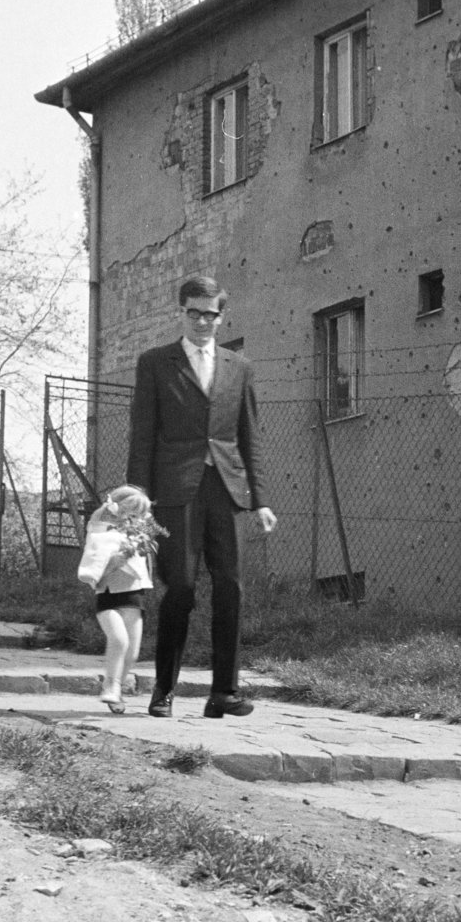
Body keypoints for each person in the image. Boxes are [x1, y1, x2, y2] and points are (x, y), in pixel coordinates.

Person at [126, 274, 276, 719]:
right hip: (175, 490)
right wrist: (137, 495)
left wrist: (261, 499)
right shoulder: (155, 362)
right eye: (194, 313)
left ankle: (224, 693)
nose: (203, 322)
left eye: (211, 314)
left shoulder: (239, 367)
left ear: (221, 316)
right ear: (182, 313)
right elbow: (142, 435)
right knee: (183, 589)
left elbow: (250, 436)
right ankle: (164, 691)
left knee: (230, 586)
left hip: (226, 489)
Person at [77, 484, 161, 714]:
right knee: (119, 639)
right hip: (107, 594)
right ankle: (110, 685)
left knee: (132, 652)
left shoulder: (139, 530)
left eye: (136, 514)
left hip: (133, 594)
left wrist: (140, 538)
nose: (130, 518)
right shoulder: (100, 529)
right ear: (115, 507)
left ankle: (119, 688)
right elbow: (96, 558)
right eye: (127, 512)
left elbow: (149, 534)